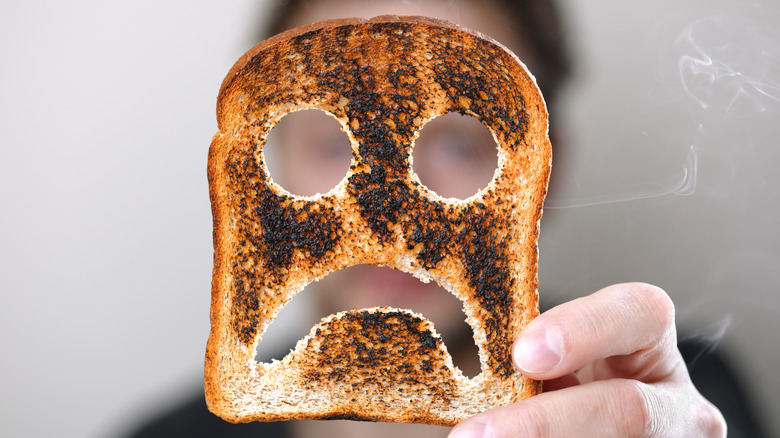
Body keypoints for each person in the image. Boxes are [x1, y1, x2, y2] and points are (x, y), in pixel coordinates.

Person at [125, 0, 765, 436]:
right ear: (260, 164)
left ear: (540, 173)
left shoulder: (688, 394)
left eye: (460, 142)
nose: (387, 212)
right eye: (331, 142)